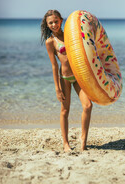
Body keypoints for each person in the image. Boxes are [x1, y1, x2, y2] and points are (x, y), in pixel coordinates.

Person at [41, 10, 92, 152]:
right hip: (64, 78)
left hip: (79, 76)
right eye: (50, 23)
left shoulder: (71, 35)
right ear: (47, 25)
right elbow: (54, 65)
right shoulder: (50, 42)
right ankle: (65, 144)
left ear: (61, 20)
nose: (53, 24)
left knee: (87, 106)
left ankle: (83, 141)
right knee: (65, 110)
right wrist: (57, 88)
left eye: (56, 21)